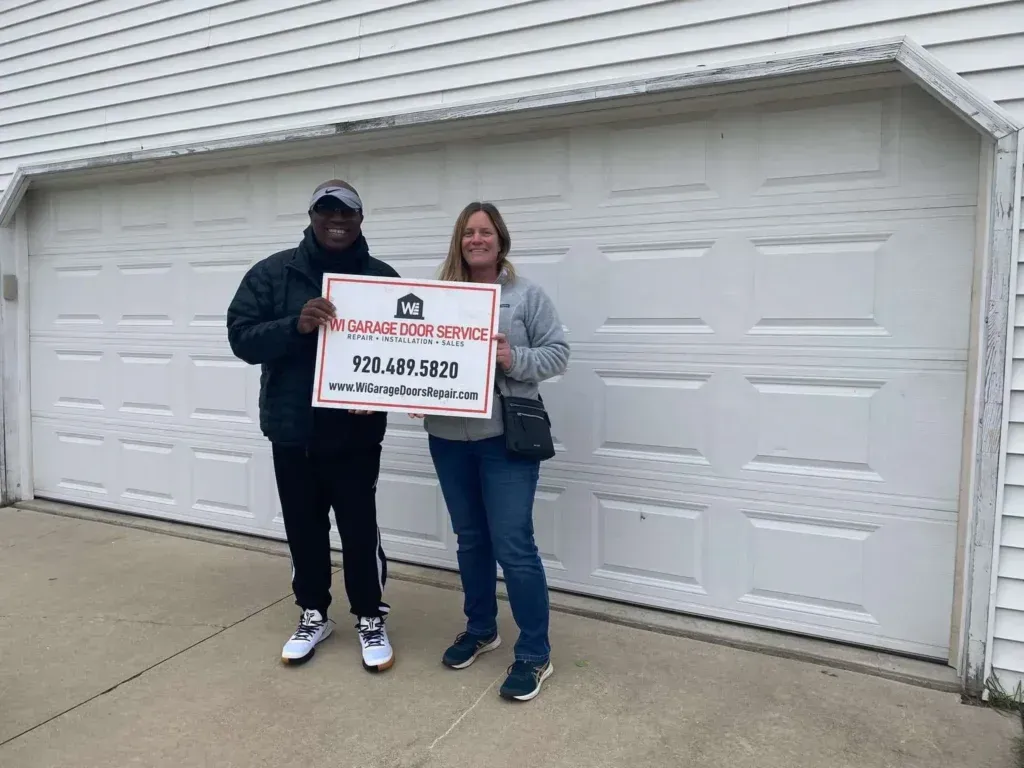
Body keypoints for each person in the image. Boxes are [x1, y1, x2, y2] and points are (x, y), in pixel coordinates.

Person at [226, 180, 398, 672]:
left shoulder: (382, 278)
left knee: (360, 530)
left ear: (360, 220)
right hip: (293, 429)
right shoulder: (274, 273)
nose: (336, 219)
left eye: (346, 211)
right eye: (326, 211)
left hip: (356, 434)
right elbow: (241, 337)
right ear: (312, 216)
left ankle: (370, 615)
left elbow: (400, 355)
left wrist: (380, 394)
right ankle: (314, 613)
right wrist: (293, 326)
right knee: (304, 529)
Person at [414, 202, 569, 701]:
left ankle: (534, 654)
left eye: (485, 232)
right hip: (448, 439)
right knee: (470, 540)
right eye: (467, 233)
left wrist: (513, 356)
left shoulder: (526, 296)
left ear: (500, 239)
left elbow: (558, 354)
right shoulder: (437, 296)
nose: (476, 239)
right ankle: (481, 628)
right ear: (458, 242)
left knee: (514, 547)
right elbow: (417, 355)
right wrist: (412, 389)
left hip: (505, 442)